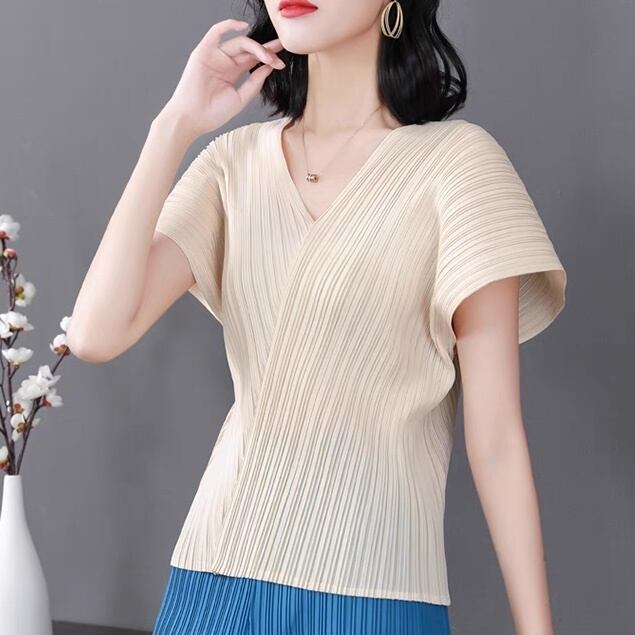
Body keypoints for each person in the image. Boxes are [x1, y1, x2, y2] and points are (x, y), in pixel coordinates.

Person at [67, 1, 568, 633]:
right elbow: (94, 335)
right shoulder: (232, 163)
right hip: (215, 582)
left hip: (377, 591)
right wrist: (173, 126)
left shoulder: (459, 166)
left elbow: (495, 443)